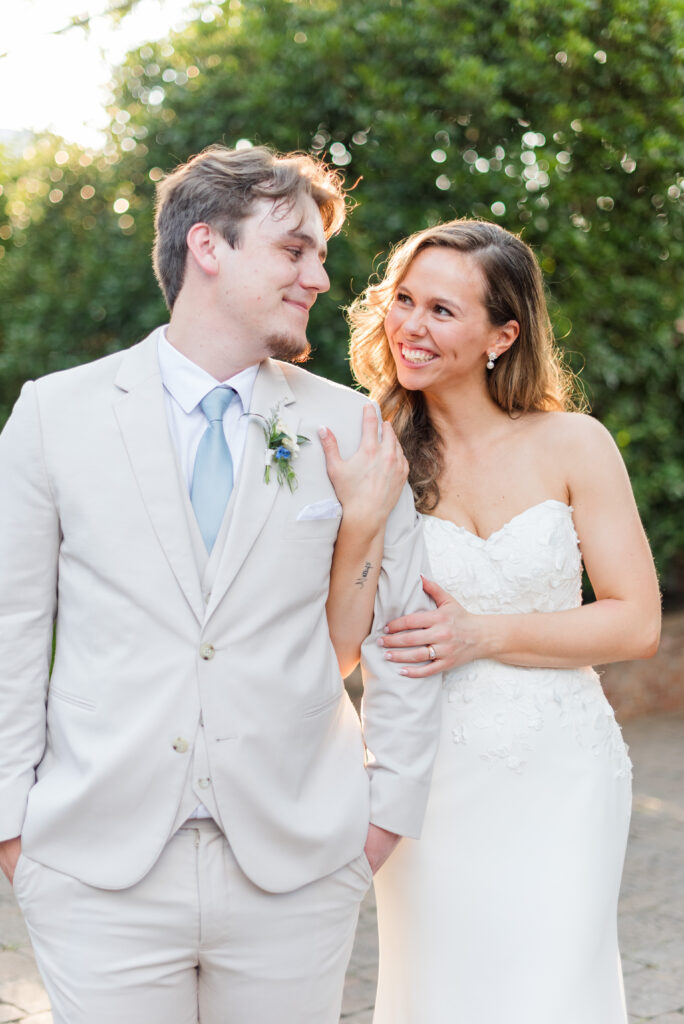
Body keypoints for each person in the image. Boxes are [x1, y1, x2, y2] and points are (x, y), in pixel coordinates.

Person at [0, 144, 442, 1024]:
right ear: (208, 246)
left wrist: (380, 821)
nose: (319, 276)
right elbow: (9, 628)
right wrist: (15, 834)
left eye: (320, 254)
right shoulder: (56, 413)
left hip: (297, 868)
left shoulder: (347, 424)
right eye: (295, 250)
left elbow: (404, 634)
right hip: (96, 868)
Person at [322, 218, 661, 1024]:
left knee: (557, 992)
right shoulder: (367, 451)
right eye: (403, 300)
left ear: (501, 334)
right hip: (427, 775)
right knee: (441, 993)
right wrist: (363, 520)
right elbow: (337, 646)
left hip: (565, 770)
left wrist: (484, 633)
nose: (410, 324)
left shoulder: (574, 443)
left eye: (443, 310)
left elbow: (636, 622)